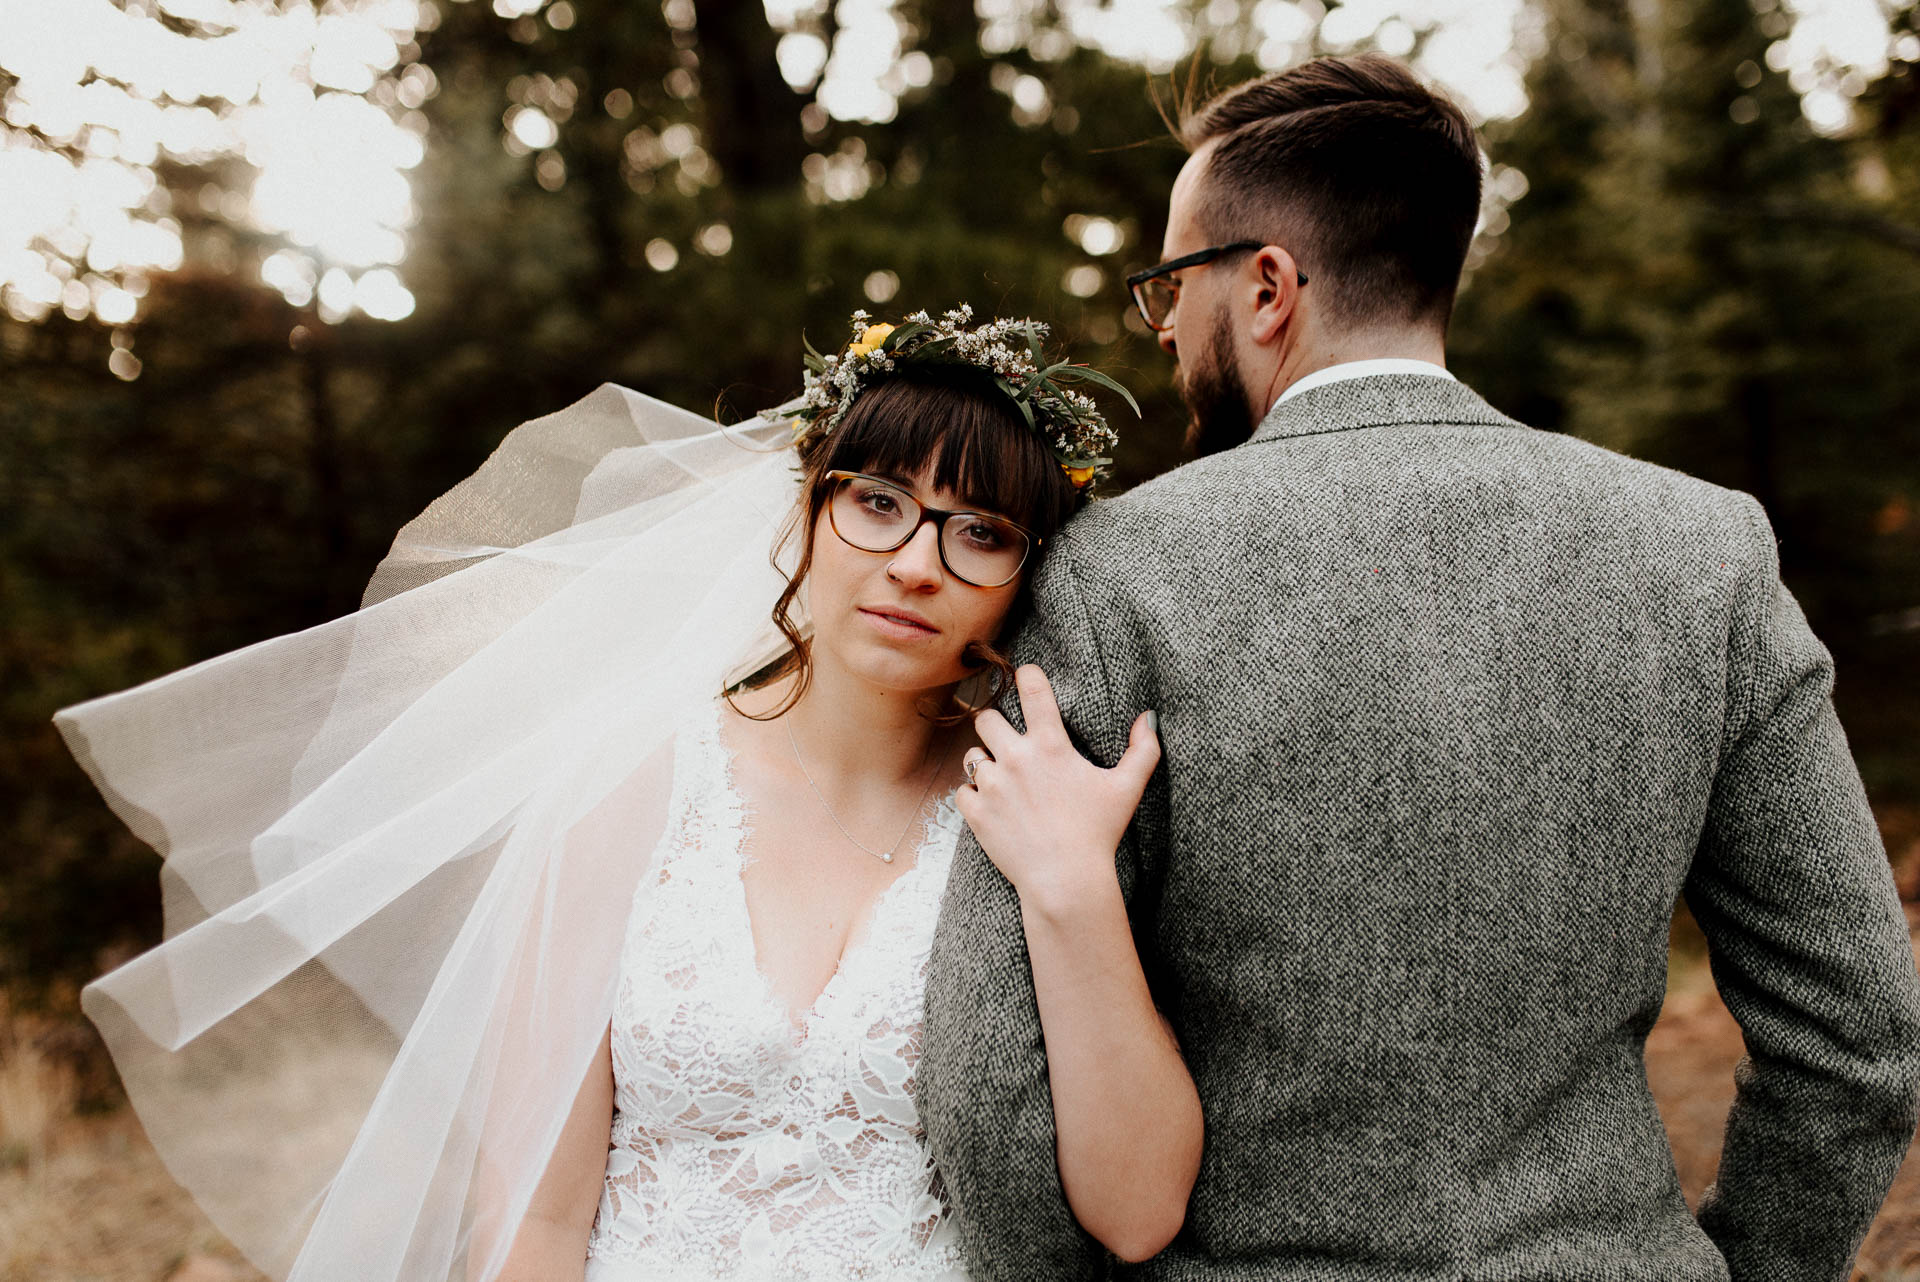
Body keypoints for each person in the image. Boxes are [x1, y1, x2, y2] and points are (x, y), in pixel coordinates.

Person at [920, 53, 1920, 1282]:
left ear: (1269, 285)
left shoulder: (1113, 573)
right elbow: (1859, 1037)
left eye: (1171, 285)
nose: (1168, 324)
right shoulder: (1702, 550)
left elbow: (996, 1086)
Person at [56, 306, 1201, 1282]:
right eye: (880, 501)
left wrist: (1074, 889)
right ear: (806, 505)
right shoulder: (636, 786)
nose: (916, 562)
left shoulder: (1029, 812)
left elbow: (1139, 1209)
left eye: (981, 533)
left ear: (1023, 576)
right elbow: (543, 1214)